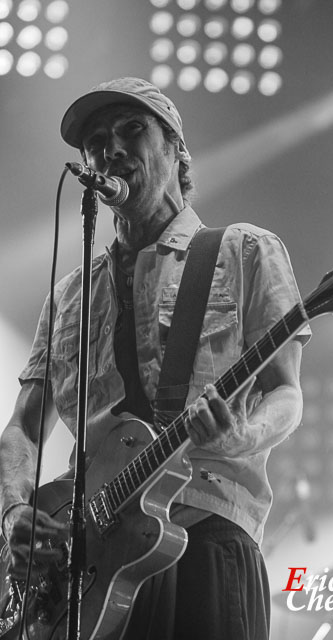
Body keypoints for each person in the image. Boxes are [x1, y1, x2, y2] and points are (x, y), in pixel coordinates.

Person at [0, 77, 310, 639]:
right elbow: (23, 427)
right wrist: (13, 512)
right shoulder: (70, 295)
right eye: (95, 140)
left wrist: (235, 435)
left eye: (132, 129)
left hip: (203, 537)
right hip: (84, 569)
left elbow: (285, 392)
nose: (110, 147)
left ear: (176, 151)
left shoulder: (243, 251)